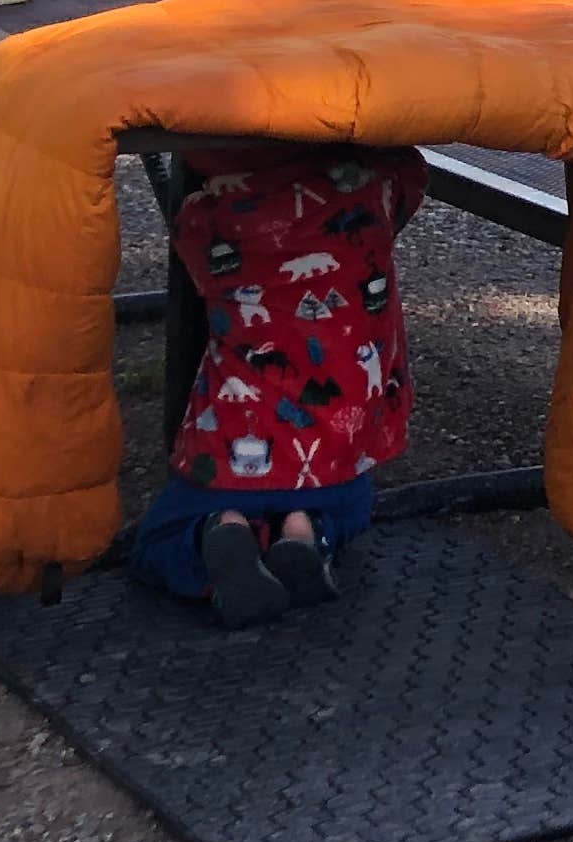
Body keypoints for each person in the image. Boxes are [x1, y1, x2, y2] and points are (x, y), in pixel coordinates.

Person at [127, 146, 424, 627]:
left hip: (227, 456)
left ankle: (218, 533)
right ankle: (305, 533)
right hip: (337, 459)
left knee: (156, 544)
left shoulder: (208, 218)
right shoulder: (377, 194)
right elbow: (411, 169)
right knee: (353, 512)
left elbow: (187, 237)